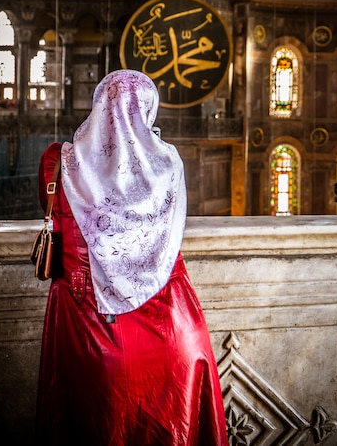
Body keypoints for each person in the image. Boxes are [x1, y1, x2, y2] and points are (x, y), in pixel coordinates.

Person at [35, 68, 229, 446]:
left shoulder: (57, 161)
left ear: (98, 104)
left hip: (87, 326)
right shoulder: (168, 164)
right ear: (149, 110)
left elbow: (52, 212)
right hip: (172, 332)